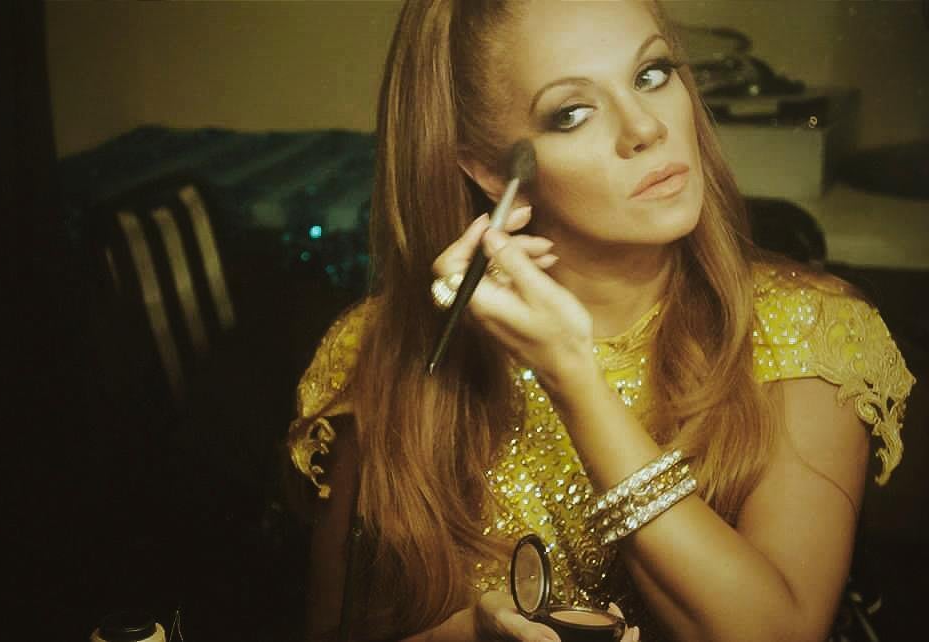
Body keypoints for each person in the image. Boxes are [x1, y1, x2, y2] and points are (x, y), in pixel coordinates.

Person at [284, 1, 915, 641]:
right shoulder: (371, 351)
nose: (645, 127)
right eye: (572, 113)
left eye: (651, 74)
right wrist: (468, 634)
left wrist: (574, 380)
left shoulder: (810, 330)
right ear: (490, 171)